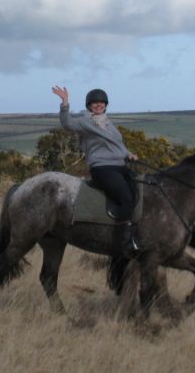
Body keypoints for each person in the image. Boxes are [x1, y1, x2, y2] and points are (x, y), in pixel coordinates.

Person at [52, 85, 141, 257]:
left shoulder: (109, 123)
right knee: (126, 199)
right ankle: (123, 241)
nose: (98, 105)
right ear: (89, 106)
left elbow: (117, 145)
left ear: (106, 105)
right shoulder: (85, 122)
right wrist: (64, 103)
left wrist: (129, 154)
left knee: (142, 191)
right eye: (94, 103)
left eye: (101, 102)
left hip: (120, 166)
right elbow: (67, 123)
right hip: (102, 168)